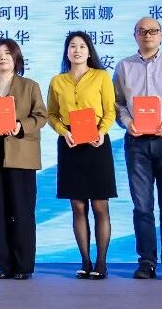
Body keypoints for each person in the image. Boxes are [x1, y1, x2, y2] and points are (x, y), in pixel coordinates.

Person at [112, 17, 162, 281]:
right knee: (142, 205)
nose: (147, 35)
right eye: (142, 31)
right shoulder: (124, 66)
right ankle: (146, 261)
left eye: (153, 31)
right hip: (136, 142)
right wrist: (127, 122)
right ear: (134, 35)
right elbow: (117, 103)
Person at [0, 38, 47, 280]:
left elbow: (41, 116)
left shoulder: (30, 86)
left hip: (22, 157)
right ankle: (5, 266)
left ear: (16, 58)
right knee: (1, 213)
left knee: (22, 212)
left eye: (7, 53)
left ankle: (23, 266)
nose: (2, 57)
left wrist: (20, 125)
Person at [46, 31, 116, 280]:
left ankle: (101, 262)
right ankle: (85, 261)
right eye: (72, 46)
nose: (77, 50)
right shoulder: (57, 81)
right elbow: (51, 114)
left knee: (99, 205)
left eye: (82, 46)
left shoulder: (101, 76)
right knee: (77, 205)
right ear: (66, 52)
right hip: (70, 143)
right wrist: (63, 131)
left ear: (89, 51)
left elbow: (110, 111)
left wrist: (102, 132)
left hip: (97, 144)